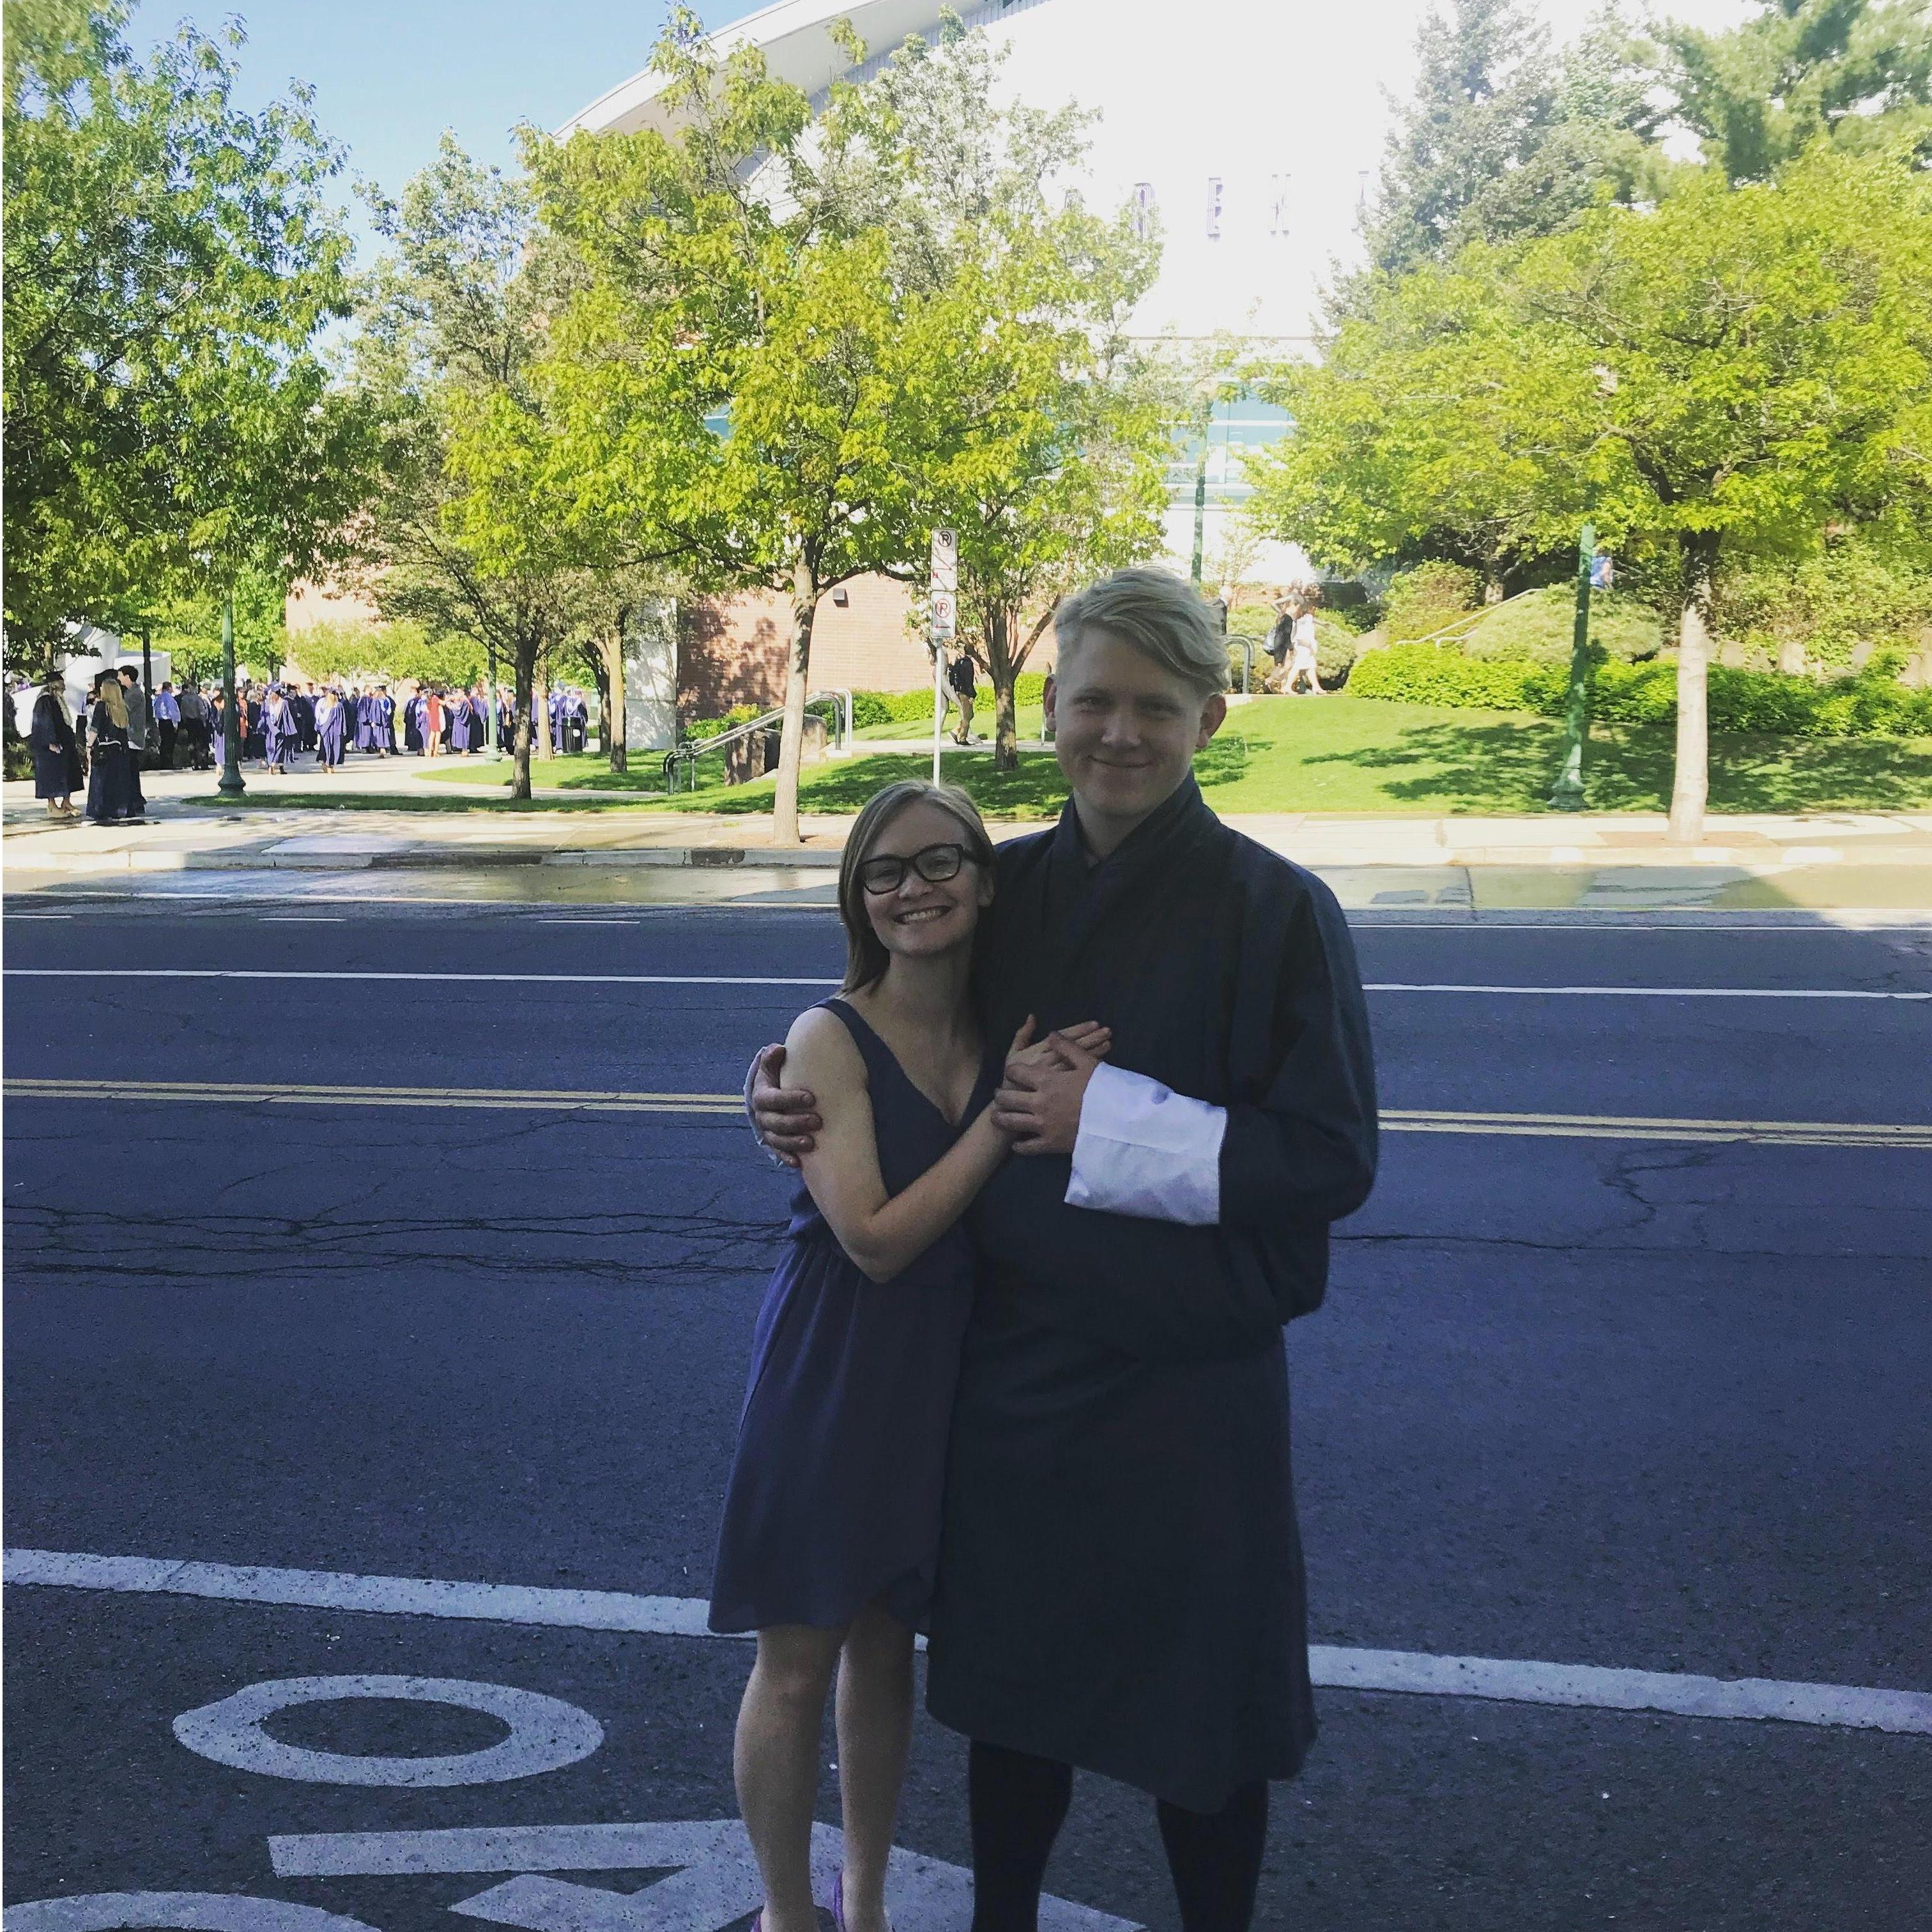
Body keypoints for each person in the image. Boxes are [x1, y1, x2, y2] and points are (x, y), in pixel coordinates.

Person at [750, 567, 1378, 1931]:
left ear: (1211, 719)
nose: (1121, 734)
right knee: (1014, 1715)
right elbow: (882, 1025)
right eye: (1094, 701)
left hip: (1190, 1384)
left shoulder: (1278, 912)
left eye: (1157, 707)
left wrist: (1120, 1123)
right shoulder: (1003, 890)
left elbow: (1332, 1160)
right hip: (1016, 1371)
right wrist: (782, 1087)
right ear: (1051, 708)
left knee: (1199, 1733)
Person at [716, 778, 1112, 1932]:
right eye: (882, 871)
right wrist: (996, 1119)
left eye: (939, 862)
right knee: (798, 1654)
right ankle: (792, 1917)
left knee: (886, 1651)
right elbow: (876, 1240)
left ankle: (868, 1905)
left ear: (985, 882)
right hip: (833, 1371)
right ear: (857, 899)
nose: (912, 888)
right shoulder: (827, 1036)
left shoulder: (1004, 1027)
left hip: (947, 1373)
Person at [27, 673, 83, 815]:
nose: (63, 687)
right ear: (54, 684)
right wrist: (50, 742)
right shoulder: (45, 701)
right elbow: (44, 723)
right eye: (60, 683)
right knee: (52, 776)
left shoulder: (57, 699)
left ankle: (66, 802)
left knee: (68, 773)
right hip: (52, 746)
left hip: (64, 743)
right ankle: (52, 805)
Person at [85, 671, 136, 823]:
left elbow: (95, 729)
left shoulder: (102, 707)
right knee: (118, 782)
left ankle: (101, 810)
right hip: (120, 750)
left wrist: (89, 746)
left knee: (102, 783)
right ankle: (120, 809)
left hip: (104, 750)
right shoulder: (122, 708)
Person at [117, 666, 150, 815]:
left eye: (120, 676)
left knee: (131, 772)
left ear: (127, 677)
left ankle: (136, 801)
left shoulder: (133, 694)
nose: (119, 679)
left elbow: (122, 710)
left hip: (132, 738)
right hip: (132, 737)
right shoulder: (132, 692)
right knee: (131, 771)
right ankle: (135, 800)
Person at [1284, 592, 1324, 697]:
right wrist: (1310, 645)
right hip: (1305, 647)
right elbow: (1303, 635)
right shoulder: (1307, 619)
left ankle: (1316, 686)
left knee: (1311, 667)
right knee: (1297, 667)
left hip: (1303, 646)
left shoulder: (1299, 619)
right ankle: (1287, 687)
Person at [946, 652, 977, 746]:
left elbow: (953, 677)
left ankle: (955, 731)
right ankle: (962, 738)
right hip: (965, 693)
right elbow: (969, 681)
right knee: (967, 716)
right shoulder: (968, 664)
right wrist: (972, 695)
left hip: (959, 691)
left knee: (969, 715)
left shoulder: (959, 662)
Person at [263, 686, 296, 772]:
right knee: (279, 747)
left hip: (272, 729)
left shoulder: (268, 703)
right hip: (279, 729)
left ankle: (276, 765)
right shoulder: (282, 703)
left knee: (274, 747)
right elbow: (287, 716)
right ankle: (274, 763)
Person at [315, 686, 346, 772]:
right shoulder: (332, 706)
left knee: (328, 748)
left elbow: (319, 718)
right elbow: (342, 720)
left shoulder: (333, 706)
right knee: (331, 748)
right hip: (333, 731)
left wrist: (320, 729)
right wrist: (343, 730)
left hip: (328, 731)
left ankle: (328, 765)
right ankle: (329, 765)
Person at [151, 680, 181, 770]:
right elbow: (172, 711)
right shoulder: (169, 698)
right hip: (168, 722)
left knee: (164, 742)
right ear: (169, 688)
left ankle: (164, 762)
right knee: (169, 743)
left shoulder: (159, 698)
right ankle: (169, 762)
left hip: (161, 722)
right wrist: (175, 724)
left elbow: (155, 709)